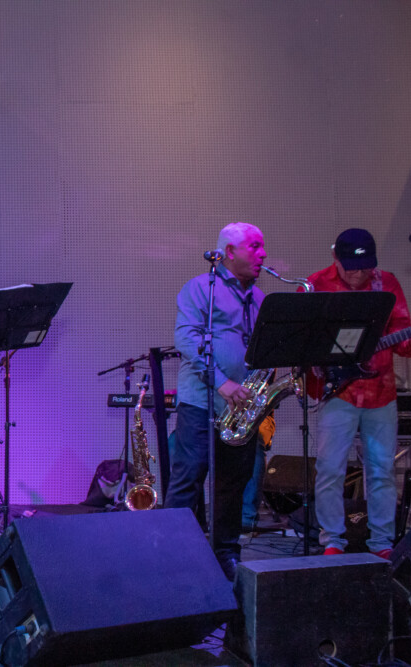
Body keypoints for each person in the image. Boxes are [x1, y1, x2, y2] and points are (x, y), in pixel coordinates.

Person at [167, 222, 267, 581]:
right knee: (188, 478)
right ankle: (172, 555)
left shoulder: (259, 298)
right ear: (229, 252)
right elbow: (186, 339)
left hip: (242, 408)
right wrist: (222, 383)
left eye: (262, 247)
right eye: (254, 247)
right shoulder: (199, 288)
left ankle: (225, 553)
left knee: (232, 483)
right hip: (201, 401)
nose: (263, 254)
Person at [308, 228, 411, 558]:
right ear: (335, 258)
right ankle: (332, 541)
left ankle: (381, 543)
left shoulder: (387, 283)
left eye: (365, 267)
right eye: (351, 268)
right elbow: (304, 340)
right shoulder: (316, 285)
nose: (358, 274)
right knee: (330, 469)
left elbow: (404, 339)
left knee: (382, 470)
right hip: (337, 391)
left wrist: (407, 341)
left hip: (381, 391)